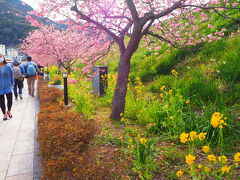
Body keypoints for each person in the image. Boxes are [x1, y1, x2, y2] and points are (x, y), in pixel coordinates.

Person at [0, 54, 14, 121]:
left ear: (3, 58)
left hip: (8, 86)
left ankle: (9, 111)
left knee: (10, 100)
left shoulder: (8, 67)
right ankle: (4, 114)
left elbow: (12, 76)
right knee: (1, 102)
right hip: (0, 87)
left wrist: (12, 84)